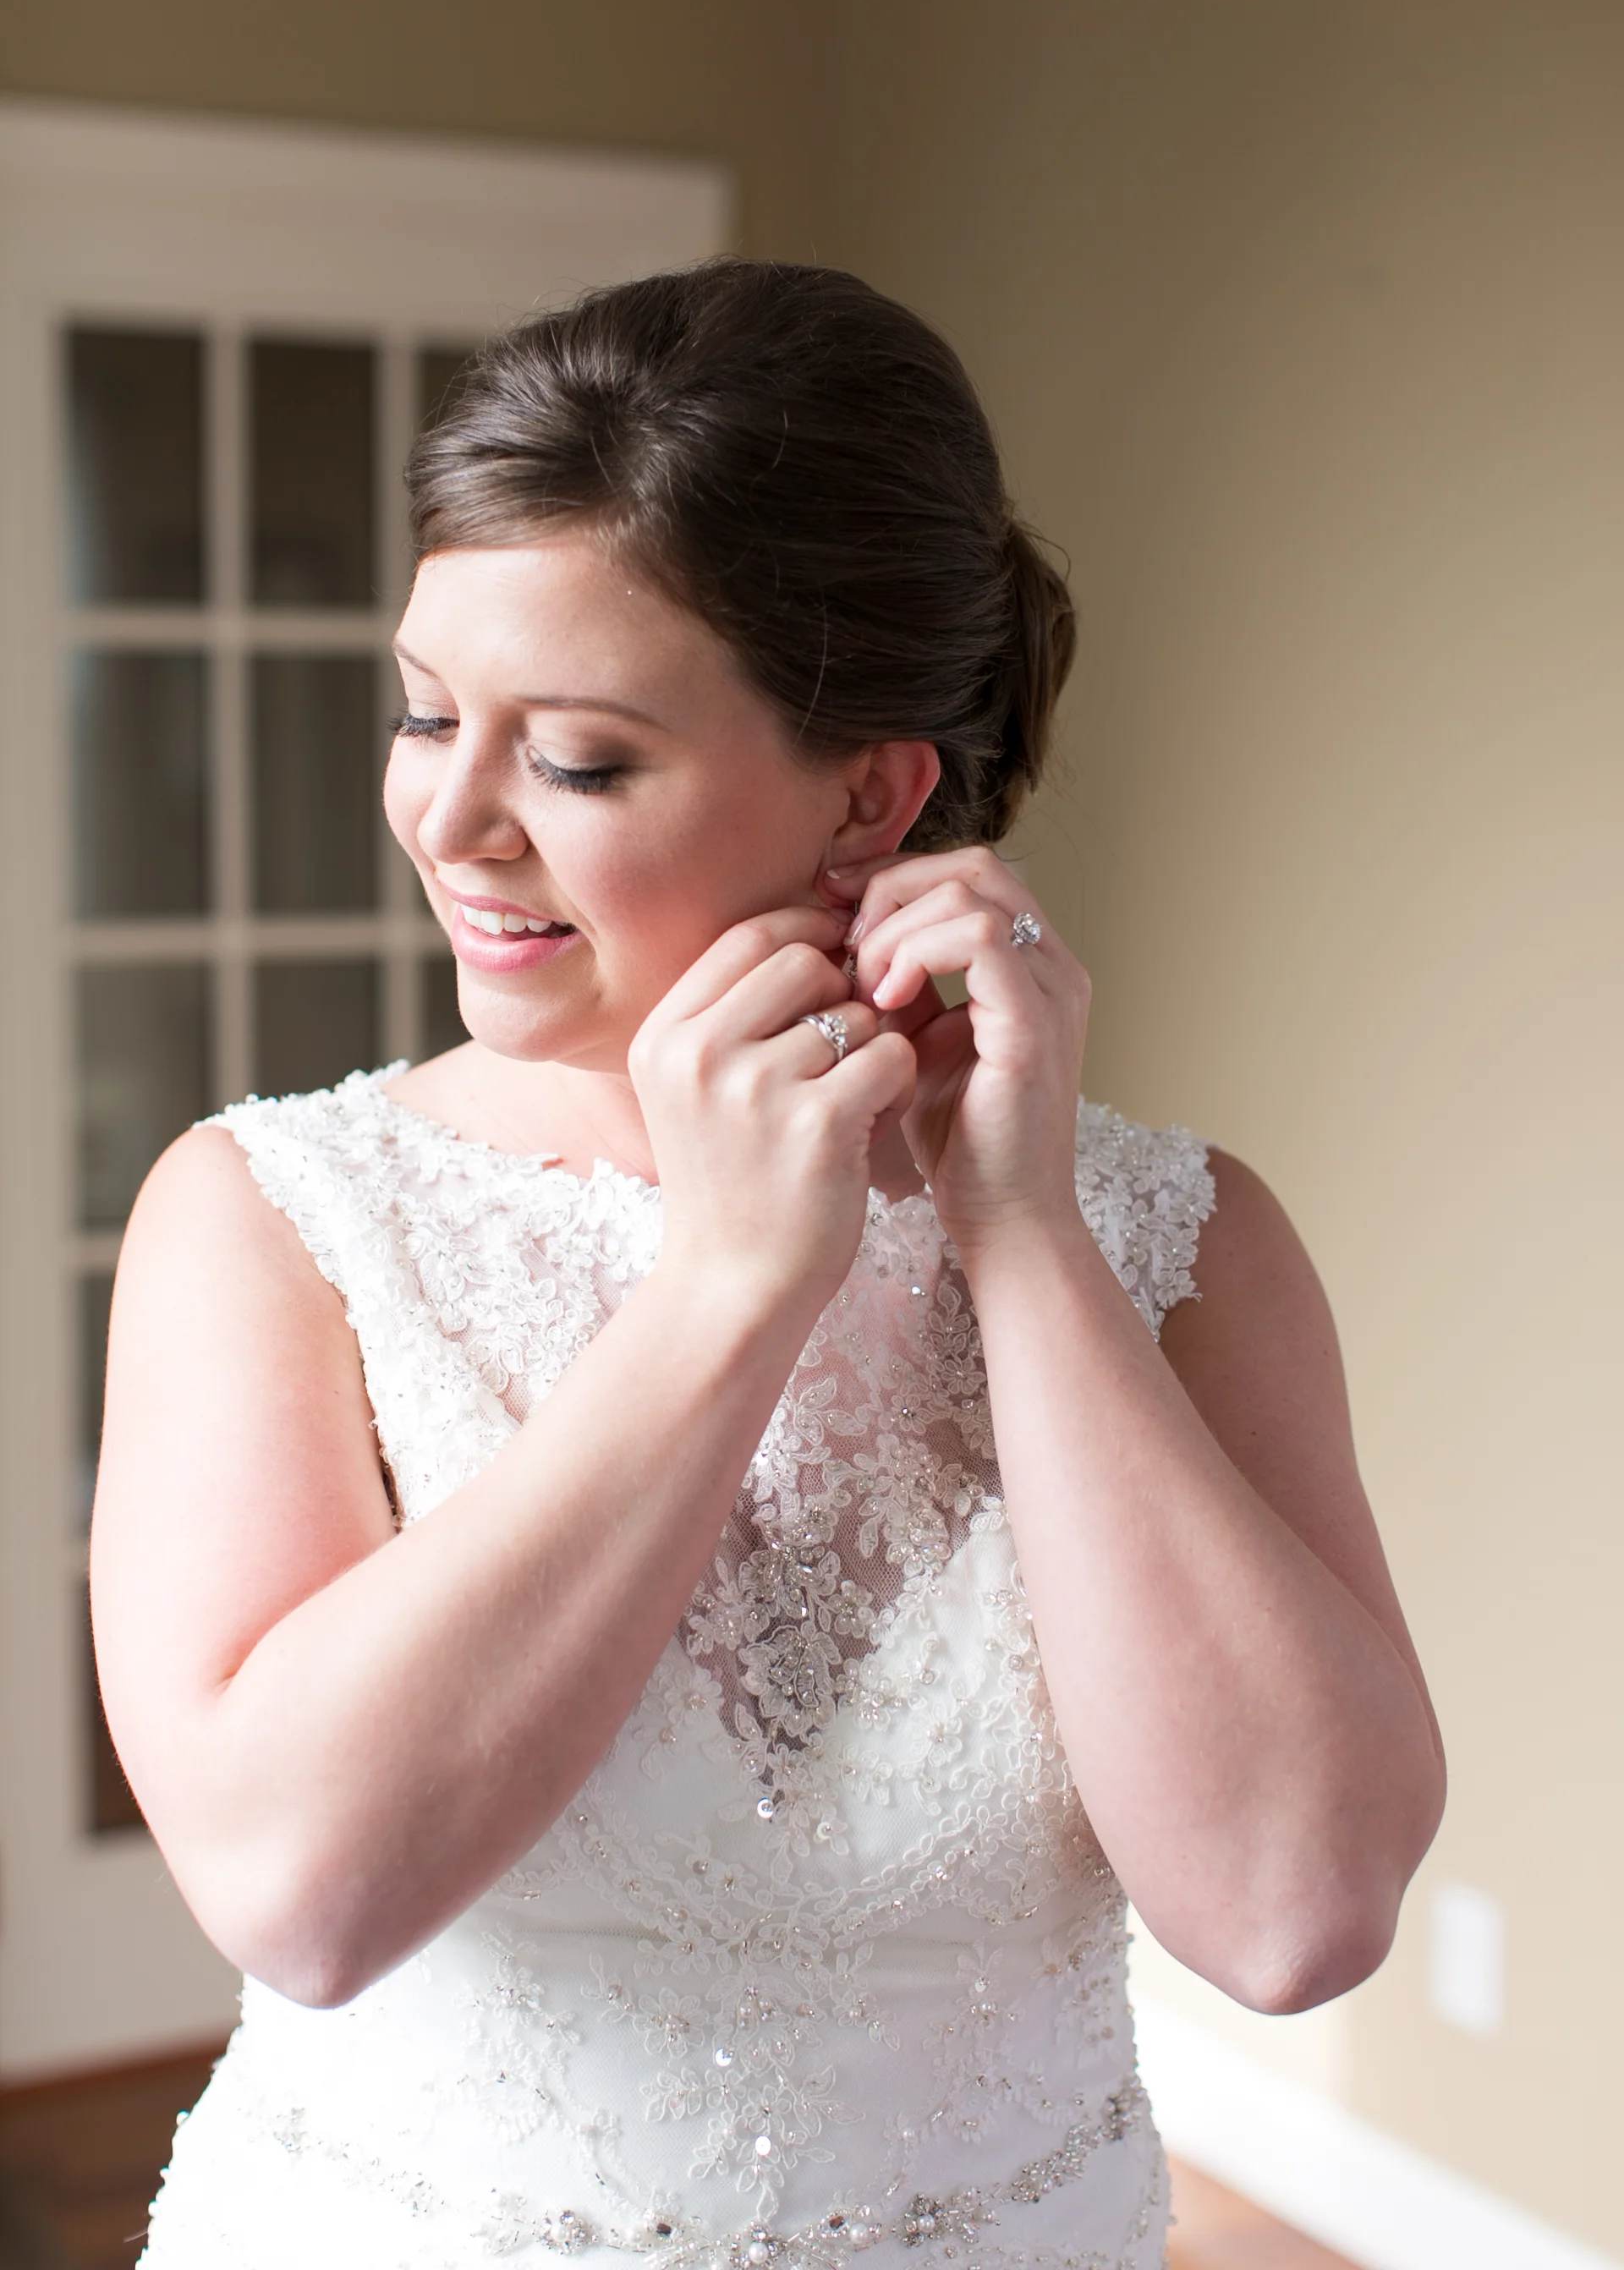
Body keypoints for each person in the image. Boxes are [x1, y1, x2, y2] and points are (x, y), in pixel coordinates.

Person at [91, 260, 1444, 2270]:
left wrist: (1025, 1240)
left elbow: (1291, 1916)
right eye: (426, 711)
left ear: (872, 795)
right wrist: (726, 1290)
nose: (448, 819)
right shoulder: (271, 1215)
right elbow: (303, 1896)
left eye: (577, 760)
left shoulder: (1186, 1246)